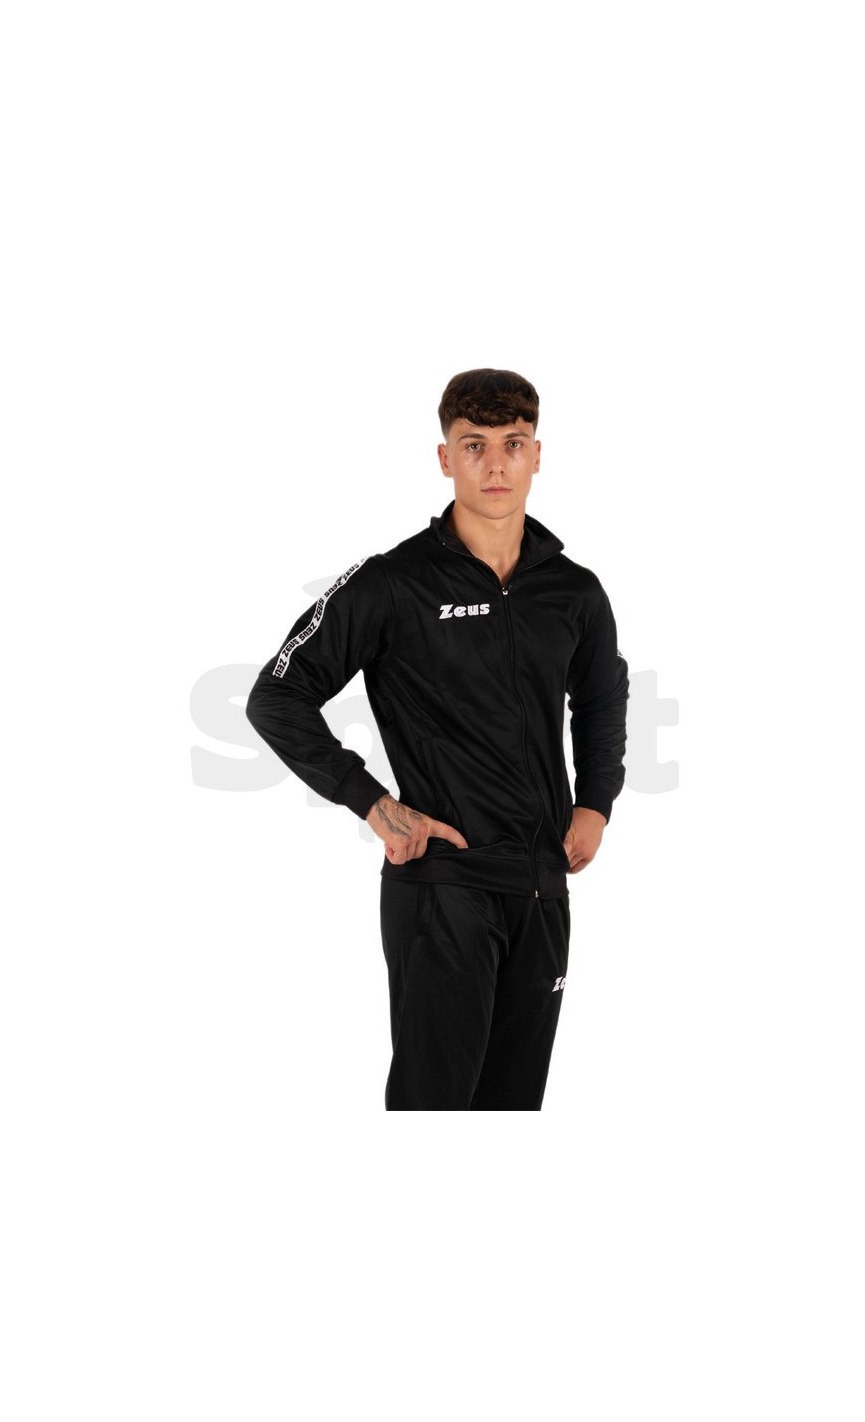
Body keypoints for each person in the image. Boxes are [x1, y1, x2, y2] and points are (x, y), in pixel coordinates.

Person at [246, 368, 628, 1110]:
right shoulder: (393, 583)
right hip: (443, 887)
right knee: (435, 1108)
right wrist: (373, 803)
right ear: (445, 458)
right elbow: (276, 696)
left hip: (542, 885)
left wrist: (597, 803)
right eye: (474, 444)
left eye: (513, 443)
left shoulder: (574, 590)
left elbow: (602, 698)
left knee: (513, 1108)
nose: (495, 464)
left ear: (538, 455)